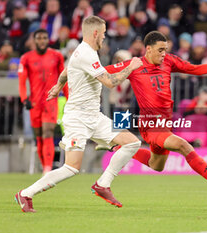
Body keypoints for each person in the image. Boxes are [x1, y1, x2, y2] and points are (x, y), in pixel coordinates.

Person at [15, 16, 143, 212]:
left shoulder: (83, 52)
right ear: (95, 33)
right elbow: (109, 82)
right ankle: (26, 193)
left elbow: (67, 70)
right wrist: (130, 67)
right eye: (104, 33)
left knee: (132, 142)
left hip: (94, 116)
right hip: (78, 119)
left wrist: (58, 85)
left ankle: (103, 184)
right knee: (72, 168)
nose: (105, 37)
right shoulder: (87, 54)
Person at [105, 31, 207, 196]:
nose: (164, 54)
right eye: (160, 50)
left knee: (156, 165)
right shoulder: (134, 65)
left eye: (166, 49)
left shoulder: (169, 60)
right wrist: (75, 73)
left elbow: (196, 69)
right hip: (150, 124)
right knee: (183, 146)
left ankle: (117, 147)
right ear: (148, 49)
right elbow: (102, 72)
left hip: (165, 124)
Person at [18, 29, 68, 174]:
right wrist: (24, 98)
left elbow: (64, 79)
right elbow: (22, 82)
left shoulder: (57, 56)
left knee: (48, 133)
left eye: (44, 38)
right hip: (34, 103)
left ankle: (47, 169)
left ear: (48, 40)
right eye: (39, 38)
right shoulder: (26, 58)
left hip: (50, 101)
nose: (42, 41)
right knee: (39, 137)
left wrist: (68, 98)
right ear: (34, 40)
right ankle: (44, 165)